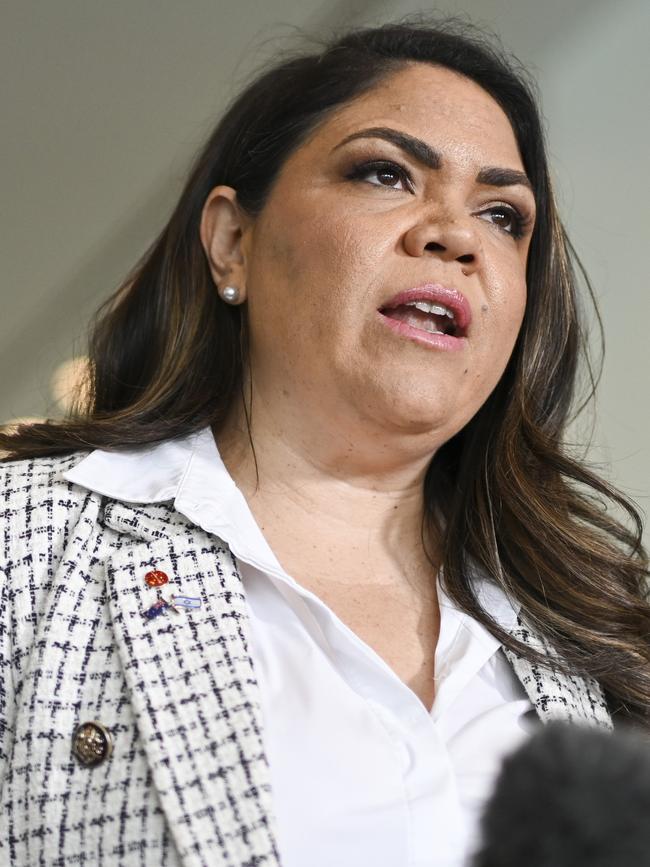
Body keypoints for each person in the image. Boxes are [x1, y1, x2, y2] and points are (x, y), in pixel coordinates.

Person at [0, 19, 648, 867]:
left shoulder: (600, 630)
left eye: (502, 215)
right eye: (386, 173)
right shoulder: (24, 548)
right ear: (234, 240)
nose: (454, 234)